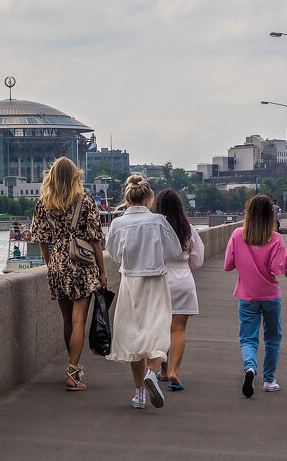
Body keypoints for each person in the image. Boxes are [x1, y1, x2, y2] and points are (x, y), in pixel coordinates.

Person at [104, 176, 184, 410]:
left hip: (130, 282)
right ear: (149, 199)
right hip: (155, 280)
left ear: (127, 199)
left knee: (133, 335)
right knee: (158, 331)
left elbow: (114, 252)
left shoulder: (118, 224)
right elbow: (175, 251)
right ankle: (154, 371)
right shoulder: (158, 222)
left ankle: (139, 393)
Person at [30, 156, 108, 392]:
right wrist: (102, 273)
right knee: (78, 320)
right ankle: (73, 372)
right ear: (75, 176)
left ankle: (71, 366)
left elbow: (42, 241)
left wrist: (51, 264)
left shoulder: (43, 203)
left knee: (67, 319)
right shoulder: (85, 201)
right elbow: (95, 241)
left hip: (58, 262)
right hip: (82, 265)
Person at [224, 194, 287, 398]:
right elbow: (278, 268)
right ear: (270, 216)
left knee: (248, 338)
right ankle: (269, 380)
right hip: (271, 296)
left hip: (247, 296)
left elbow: (228, 265)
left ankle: (250, 368)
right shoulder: (276, 239)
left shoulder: (237, 235)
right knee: (273, 338)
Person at [150, 188, 204, 391]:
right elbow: (198, 260)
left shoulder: (155, 228)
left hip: (161, 279)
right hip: (183, 280)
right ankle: (175, 371)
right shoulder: (187, 228)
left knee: (162, 328)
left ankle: (162, 371)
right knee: (178, 329)